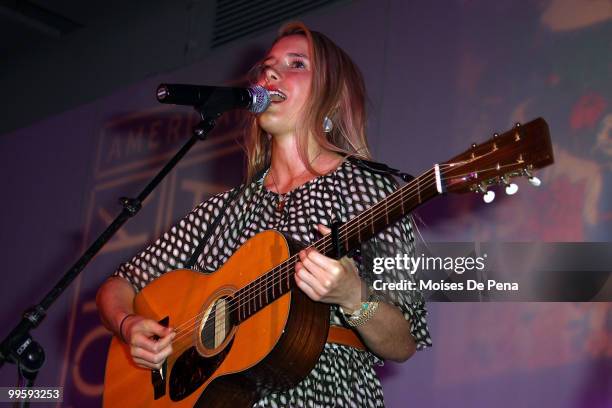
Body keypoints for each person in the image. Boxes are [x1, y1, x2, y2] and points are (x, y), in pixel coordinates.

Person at [96, 21, 431, 407]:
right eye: (269, 65)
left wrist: (355, 299)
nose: (271, 72)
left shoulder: (372, 192)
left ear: (334, 97)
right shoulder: (224, 210)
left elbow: (403, 341)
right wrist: (129, 324)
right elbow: (119, 286)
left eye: (297, 64)